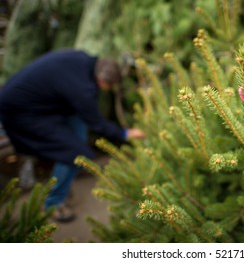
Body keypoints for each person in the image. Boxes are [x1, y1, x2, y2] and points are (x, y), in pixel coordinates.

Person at [0, 49, 144, 222]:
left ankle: (70, 172)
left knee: (77, 128)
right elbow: (97, 123)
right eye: (108, 87)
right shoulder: (82, 89)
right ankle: (53, 203)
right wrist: (125, 133)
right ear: (102, 80)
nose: (107, 90)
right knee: (73, 153)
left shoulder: (83, 60)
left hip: (36, 100)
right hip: (20, 112)